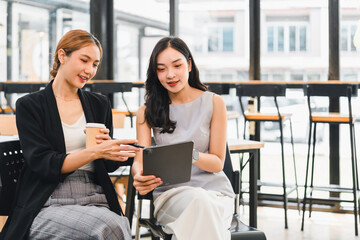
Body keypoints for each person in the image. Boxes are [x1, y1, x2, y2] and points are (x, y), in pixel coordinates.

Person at [0, 30, 138, 240]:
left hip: (95, 195)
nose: (89, 70)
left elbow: (105, 165)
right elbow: (43, 163)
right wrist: (93, 152)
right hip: (46, 200)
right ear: (62, 56)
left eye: (95, 64)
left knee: (115, 225)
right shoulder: (30, 105)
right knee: (112, 228)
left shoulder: (99, 104)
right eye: (84, 60)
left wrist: (113, 153)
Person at [132, 36, 235, 240]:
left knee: (201, 205)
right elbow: (139, 160)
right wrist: (139, 176)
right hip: (171, 196)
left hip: (216, 195)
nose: (170, 75)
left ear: (189, 64)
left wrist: (188, 155)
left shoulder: (214, 103)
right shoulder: (146, 112)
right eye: (161, 69)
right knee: (198, 204)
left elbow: (216, 164)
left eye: (177, 65)